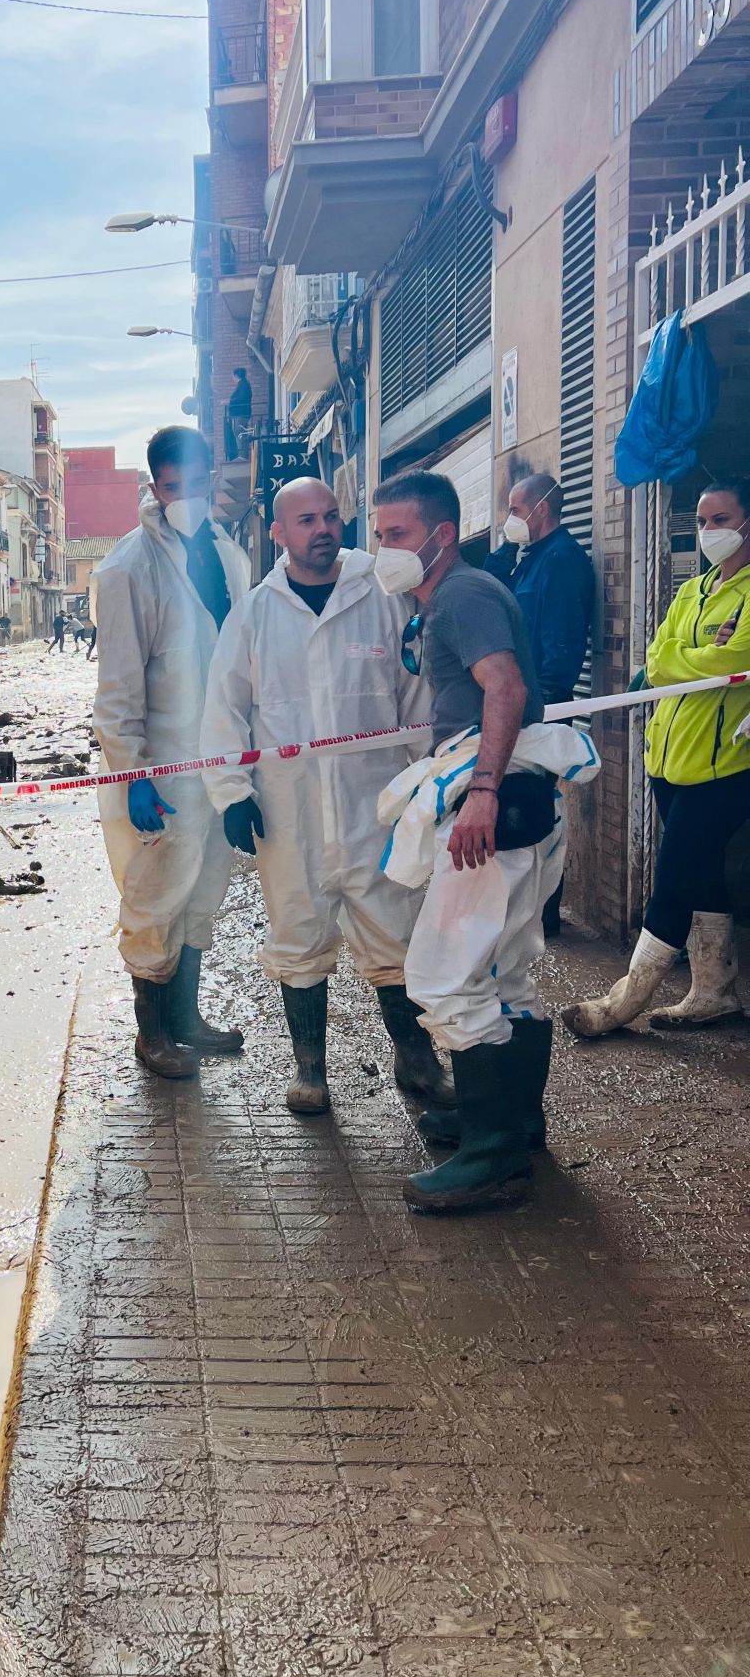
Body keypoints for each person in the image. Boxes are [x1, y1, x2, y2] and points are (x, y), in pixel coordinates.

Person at [202, 478, 449, 1117]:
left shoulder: (382, 598)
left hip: (377, 805)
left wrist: (428, 782)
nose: (323, 529)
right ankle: (310, 1068)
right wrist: (233, 794)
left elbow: (417, 700)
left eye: (332, 516)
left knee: (395, 932)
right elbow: (224, 709)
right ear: (278, 533)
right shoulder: (256, 613)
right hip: (292, 813)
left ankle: (416, 1061)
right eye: (306, 520)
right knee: (298, 932)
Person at [372, 470, 555, 1216]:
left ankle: (491, 1158)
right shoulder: (449, 597)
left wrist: (480, 789)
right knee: (503, 971)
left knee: (444, 976)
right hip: (515, 804)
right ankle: (508, 1123)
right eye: (379, 536)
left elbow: (504, 688)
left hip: (493, 807)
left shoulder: (464, 594)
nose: (384, 549)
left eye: (397, 536)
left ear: (441, 536)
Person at [563, 478, 750, 1038]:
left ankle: (621, 1003)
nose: (709, 531)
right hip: (669, 760)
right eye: (702, 520)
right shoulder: (694, 591)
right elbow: (658, 652)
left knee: (672, 879)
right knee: (702, 870)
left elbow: (734, 657)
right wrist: (692, 656)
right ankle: (713, 991)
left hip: (725, 767)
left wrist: (681, 658)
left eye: (721, 519)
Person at [93, 426, 251, 1078]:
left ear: (213, 480)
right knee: (156, 897)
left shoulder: (228, 555)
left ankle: (186, 1019)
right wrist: (135, 775)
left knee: (205, 891)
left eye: (197, 483)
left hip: (219, 762)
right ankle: (152, 1034)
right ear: (155, 486)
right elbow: (119, 691)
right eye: (172, 485)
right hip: (162, 767)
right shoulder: (130, 568)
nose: (186, 496)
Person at [484, 473, 596, 935]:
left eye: (513, 510)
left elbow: (563, 642)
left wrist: (543, 705)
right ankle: (519, 909)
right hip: (518, 701)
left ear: (540, 509)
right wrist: (507, 551)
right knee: (515, 802)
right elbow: (489, 592)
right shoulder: (528, 560)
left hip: (542, 703)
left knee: (534, 804)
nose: (509, 520)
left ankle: (543, 913)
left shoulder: (564, 561)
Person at [225, 366, 253, 465]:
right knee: (239, 433)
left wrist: (229, 401)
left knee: (239, 433)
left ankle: (243, 456)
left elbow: (241, 398)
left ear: (236, 375)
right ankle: (243, 455)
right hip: (241, 414)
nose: (232, 379)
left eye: (232, 376)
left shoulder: (243, 385)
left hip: (241, 414)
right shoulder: (244, 384)